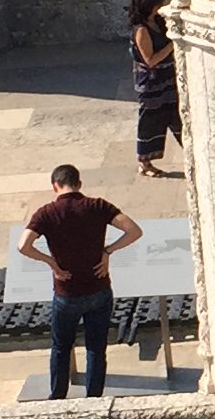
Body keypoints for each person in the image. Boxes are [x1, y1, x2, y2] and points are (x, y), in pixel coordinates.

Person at [22, 164, 138, 400]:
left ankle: (58, 397)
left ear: (55, 186)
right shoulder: (98, 206)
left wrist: (51, 262)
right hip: (99, 288)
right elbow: (134, 230)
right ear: (79, 184)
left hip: (66, 292)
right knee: (96, 348)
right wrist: (108, 251)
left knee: (61, 347)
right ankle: (93, 397)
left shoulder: (46, 213)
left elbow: (23, 245)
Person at [130, 0, 181, 179]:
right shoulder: (141, 30)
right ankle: (144, 163)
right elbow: (150, 60)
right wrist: (173, 43)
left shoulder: (158, 21)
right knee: (151, 120)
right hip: (151, 83)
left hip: (168, 78)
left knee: (176, 115)